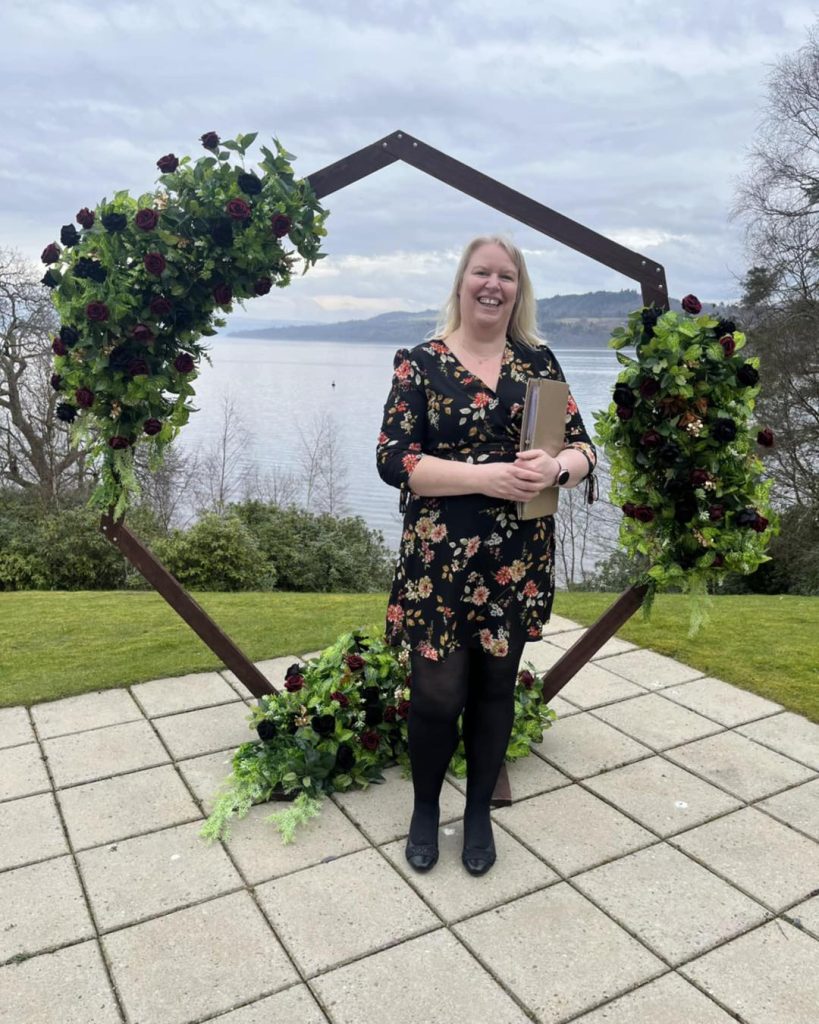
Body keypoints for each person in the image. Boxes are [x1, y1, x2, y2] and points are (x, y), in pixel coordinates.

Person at [376, 235, 596, 876]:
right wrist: (487, 477)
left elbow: (583, 448)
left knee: (497, 689)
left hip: (515, 560)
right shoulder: (420, 363)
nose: (493, 285)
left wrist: (557, 467)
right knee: (437, 694)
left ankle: (477, 814)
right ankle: (424, 809)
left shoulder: (539, 363)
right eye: (482, 273)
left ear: (518, 290)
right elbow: (394, 460)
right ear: (462, 282)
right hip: (440, 561)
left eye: (506, 276)